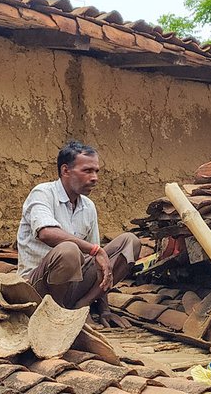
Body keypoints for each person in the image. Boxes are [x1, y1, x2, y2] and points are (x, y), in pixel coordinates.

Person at [16, 140, 139, 327]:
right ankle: (56, 314)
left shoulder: (88, 206)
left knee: (130, 242)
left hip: (73, 288)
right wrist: (95, 250)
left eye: (96, 171)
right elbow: (46, 233)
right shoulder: (42, 193)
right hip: (37, 290)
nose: (95, 177)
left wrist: (104, 309)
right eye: (87, 171)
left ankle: (81, 307)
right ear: (65, 171)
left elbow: (101, 266)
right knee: (69, 250)